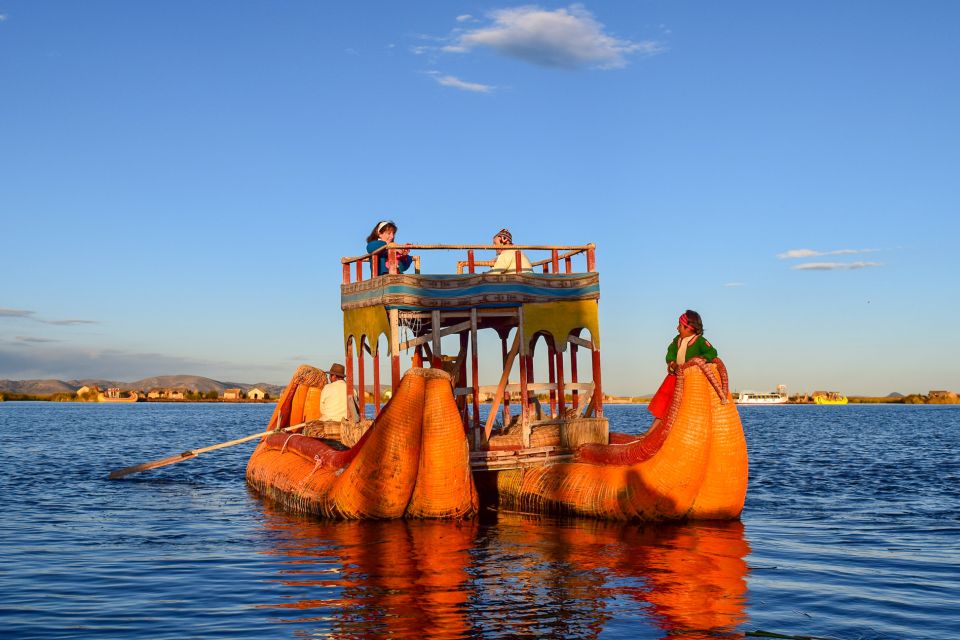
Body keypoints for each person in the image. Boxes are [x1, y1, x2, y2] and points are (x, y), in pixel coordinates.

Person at [647, 310, 718, 425]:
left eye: (680, 325)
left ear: (689, 328)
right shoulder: (677, 340)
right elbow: (670, 352)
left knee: (684, 406)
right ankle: (653, 431)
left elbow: (712, 352)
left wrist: (703, 358)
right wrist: (671, 363)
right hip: (675, 377)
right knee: (665, 402)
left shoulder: (699, 341)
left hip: (691, 381)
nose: (677, 328)